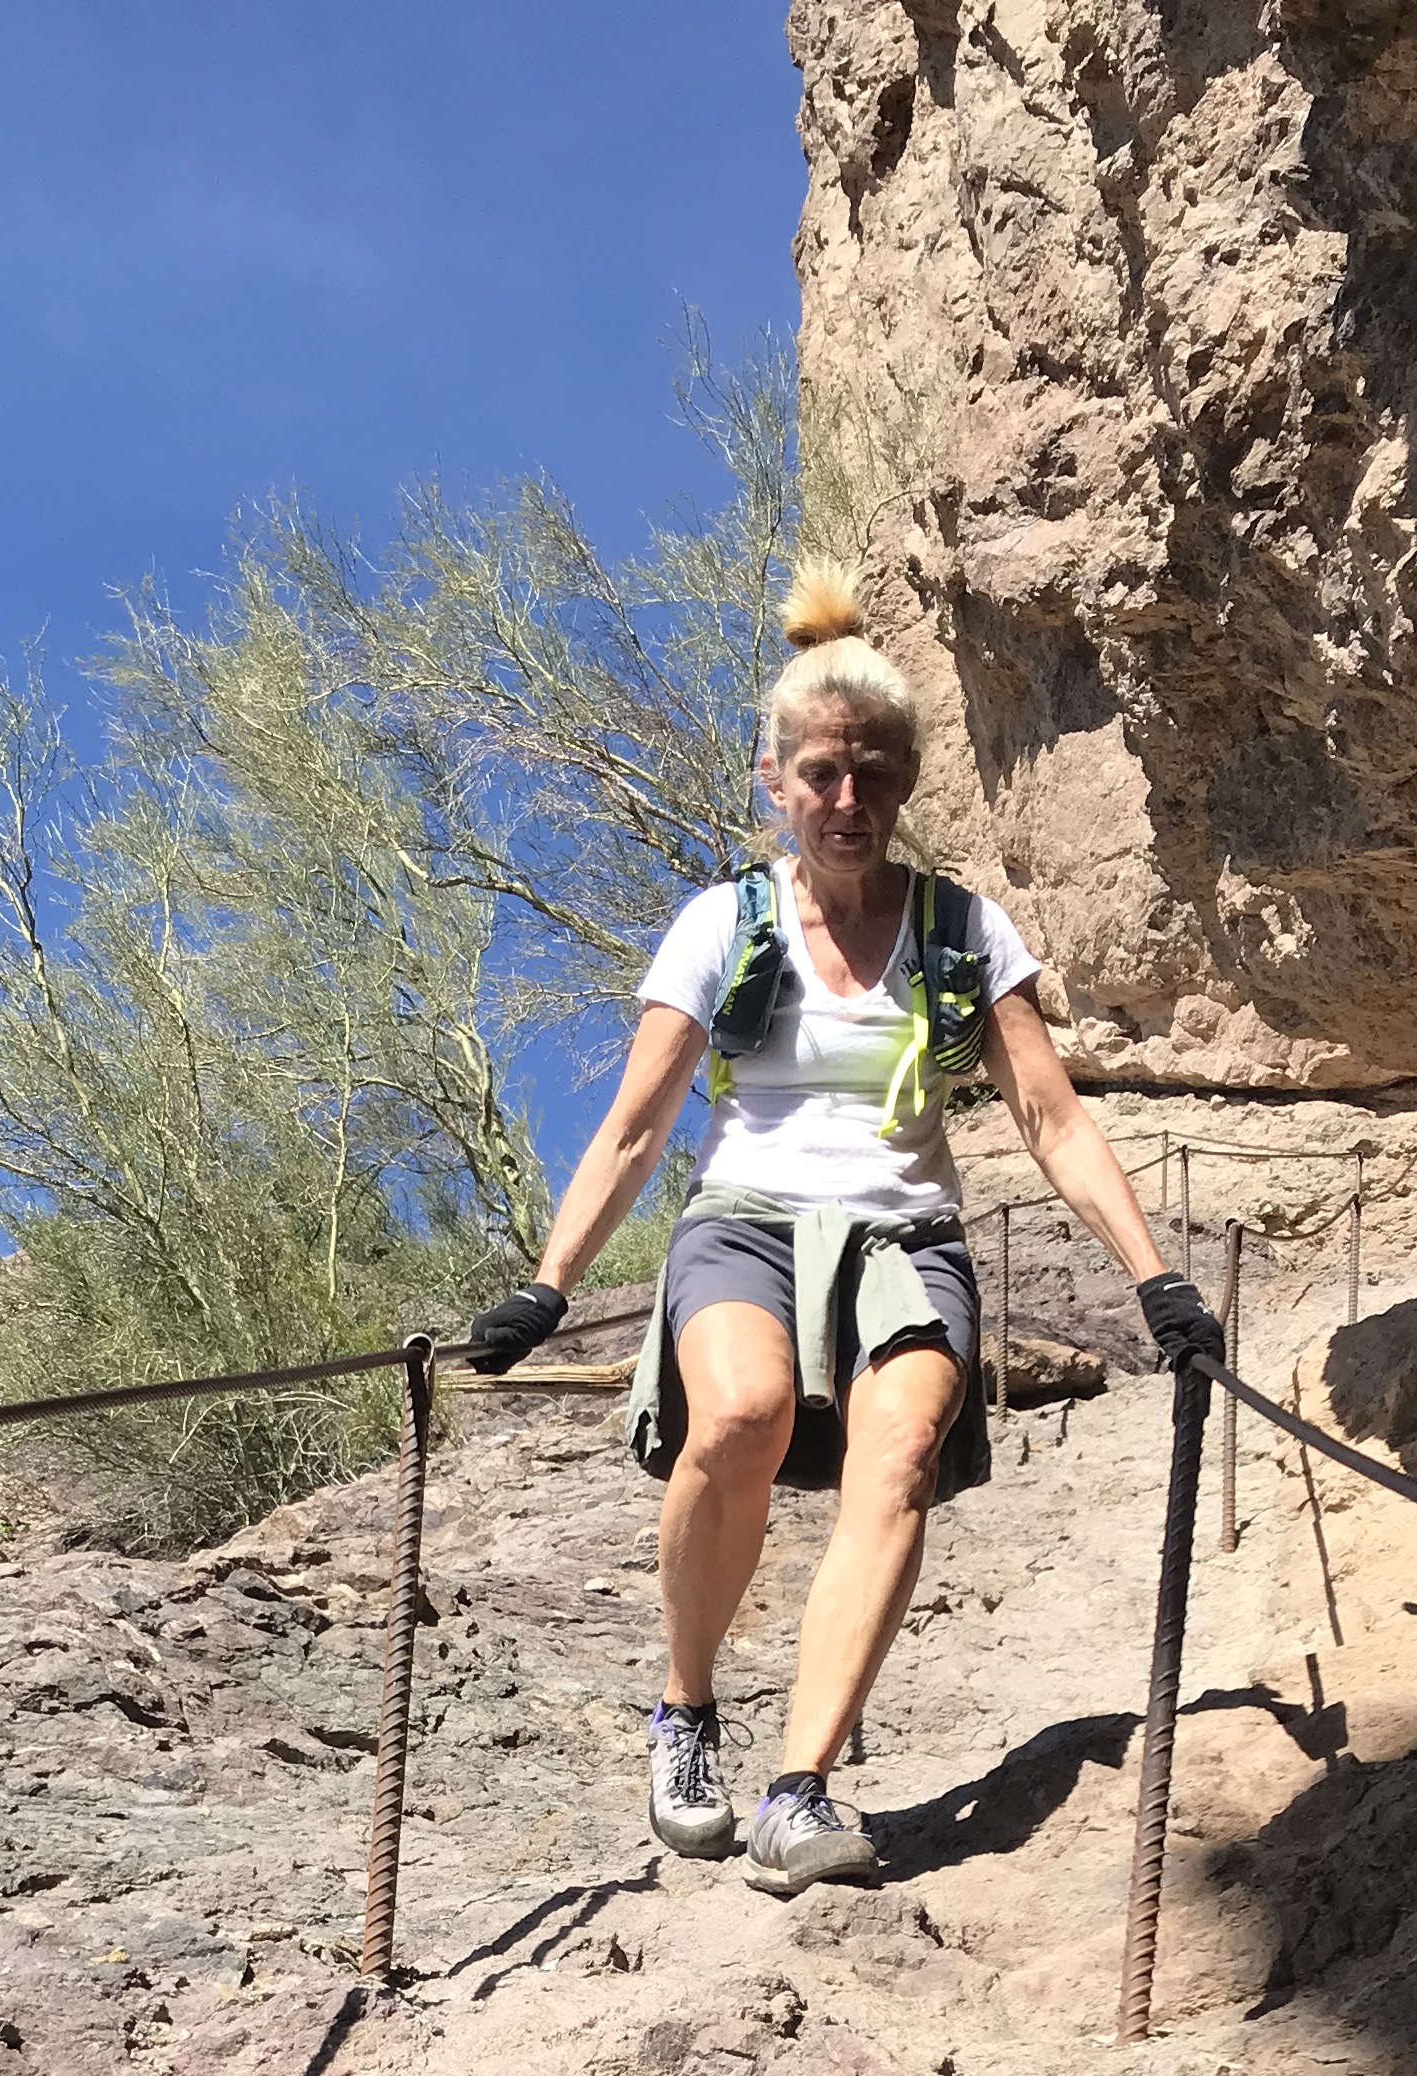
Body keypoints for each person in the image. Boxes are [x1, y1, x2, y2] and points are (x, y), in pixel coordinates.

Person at [465, 567, 1224, 1897]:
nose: (848, 800)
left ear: (906, 779)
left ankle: (798, 1788)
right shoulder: (723, 924)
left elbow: (1051, 1119)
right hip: (745, 1223)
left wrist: (1155, 1280)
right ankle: (686, 1709)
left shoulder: (963, 932)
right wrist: (549, 1285)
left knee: (901, 1458)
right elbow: (638, 1126)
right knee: (740, 1417)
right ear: (776, 782)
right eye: (821, 774)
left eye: (872, 773)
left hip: (906, 1237)